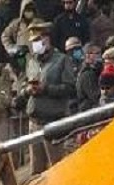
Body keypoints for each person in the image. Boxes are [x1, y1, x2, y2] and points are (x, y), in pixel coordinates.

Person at [20, 21, 77, 174]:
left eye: (38, 40)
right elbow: (23, 85)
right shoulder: (31, 61)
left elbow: (70, 88)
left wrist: (46, 89)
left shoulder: (62, 60)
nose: (35, 44)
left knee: (57, 169)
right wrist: (27, 90)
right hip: (34, 122)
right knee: (35, 170)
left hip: (53, 122)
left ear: (47, 39)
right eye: (33, 42)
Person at [75, 42, 103, 112]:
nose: (98, 56)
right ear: (87, 55)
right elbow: (95, 97)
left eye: (98, 53)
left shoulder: (95, 71)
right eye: (91, 53)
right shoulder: (88, 74)